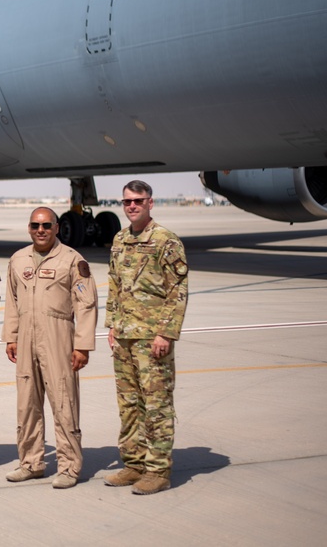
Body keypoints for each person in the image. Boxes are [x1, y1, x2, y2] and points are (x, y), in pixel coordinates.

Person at [104, 180, 189, 495]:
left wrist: (166, 331)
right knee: (128, 404)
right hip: (125, 335)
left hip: (152, 338)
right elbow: (114, 283)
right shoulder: (121, 239)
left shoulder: (166, 241)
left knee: (156, 405)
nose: (132, 206)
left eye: (138, 201)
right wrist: (112, 324)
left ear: (150, 203)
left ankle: (157, 471)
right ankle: (134, 463)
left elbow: (177, 290)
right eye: (127, 202)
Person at [3, 207, 98, 489]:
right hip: (26, 338)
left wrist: (82, 345)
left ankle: (69, 467)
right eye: (35, 225)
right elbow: (11, 301)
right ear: (29, 228)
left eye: (46, 225)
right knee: (27, 404)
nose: (40, 230)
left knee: (63, 401)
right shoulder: (18, 259)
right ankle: (31, 463)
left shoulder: (72, 260)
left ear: (57, 228)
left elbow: (86, 304)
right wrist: (11, 336)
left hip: (58, 335)